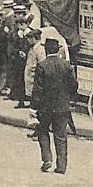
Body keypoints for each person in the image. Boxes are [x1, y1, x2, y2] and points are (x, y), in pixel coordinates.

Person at [32, 38, 78, 174]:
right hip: (62, 107)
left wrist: (33, 108)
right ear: (58, 50)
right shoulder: (66, 65)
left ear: (46, 50)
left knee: (43, 131)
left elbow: (37, 90)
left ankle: (47, 159)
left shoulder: (42, 66)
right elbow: (74, 86)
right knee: (60, 135)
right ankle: (61, 166)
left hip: (45, 107)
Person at [23, 28, 45, 107]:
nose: (28, 40)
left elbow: (41, 64)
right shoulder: (33, 48)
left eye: (29, 38)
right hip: (30, 77)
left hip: (34, 77)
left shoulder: (39, 49)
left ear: (33, 39)